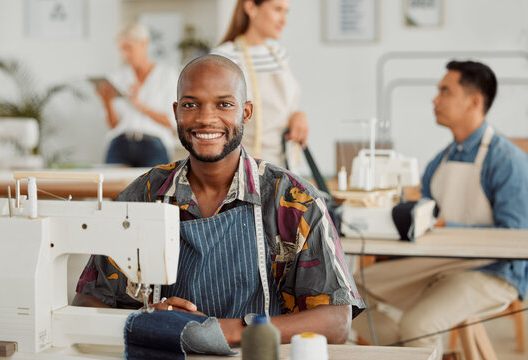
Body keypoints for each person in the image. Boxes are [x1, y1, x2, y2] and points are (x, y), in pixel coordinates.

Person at [73, 54, 364, 345]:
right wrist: (148, 321)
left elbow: (336, 322)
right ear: (176, 111)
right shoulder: (143, 195)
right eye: (190, 105)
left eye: (224, 104)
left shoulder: (293, 200)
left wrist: (224, 330)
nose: (205, 118)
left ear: (246, 113)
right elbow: (87, 302)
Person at [352, 60, 528, 359]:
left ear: (474, 101)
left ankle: (415, 344)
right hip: (439, 263)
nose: (435, 99)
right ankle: (416, 350)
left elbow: (517, 236)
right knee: (351, 293)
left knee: (420, 324)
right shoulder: (439, 161)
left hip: (495, 273)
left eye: (445, 91)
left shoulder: (506, 160)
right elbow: (428, 220)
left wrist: (449, 229)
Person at [211, 0, 308, 167]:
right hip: (242, 168)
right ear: (250, 7)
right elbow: (214, 115)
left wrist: (298, 115)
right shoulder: (224, 57)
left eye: (286, 12)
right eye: (278, 10)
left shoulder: (278, 54)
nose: (284, 20)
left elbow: (285, 107)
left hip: (284, 166)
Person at [96, 23, 179, 167]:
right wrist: (107, 102)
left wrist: (139, 105)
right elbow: (113, 125)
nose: (124, 55)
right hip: (119, 142)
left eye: (128, 48)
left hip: (154, 144)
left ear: (144, 44)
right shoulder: (117, 78)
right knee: (112, 187)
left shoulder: (168, 77)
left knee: (152, 188)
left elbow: (171, 122)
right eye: (121, 49)